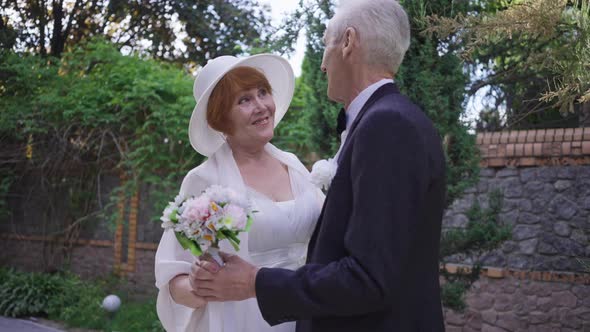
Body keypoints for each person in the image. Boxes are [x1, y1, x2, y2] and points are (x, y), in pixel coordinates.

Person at [193, 0, 447, 331]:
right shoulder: (385, 120)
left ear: (348, 43)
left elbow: (369, 278)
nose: (323, 63)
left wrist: (256, 282)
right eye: (243, 100)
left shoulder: (387, 126)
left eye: (326, 43)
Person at [154, 54, 324, 331]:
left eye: (262, 93)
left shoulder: (295, 167)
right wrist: (197, 283)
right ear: (220, 119)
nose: (261, 106)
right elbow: (173, 280)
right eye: (244, 100)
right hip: (243, 321)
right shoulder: (204, 181)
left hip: (304, 313)